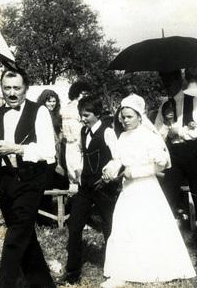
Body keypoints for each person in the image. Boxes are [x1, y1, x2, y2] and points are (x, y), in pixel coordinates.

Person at [100, 94, 195, 287]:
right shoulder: (123, 136)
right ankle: (125, 269)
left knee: (147, 226)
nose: (125, 121)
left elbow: (162, 165)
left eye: (129, 117)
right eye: (123, 117)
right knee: (124, 226)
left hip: (146, 188)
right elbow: (118, 158)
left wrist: (134, 172)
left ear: (139, 116)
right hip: (128, 190)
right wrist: (110, 169)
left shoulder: (149, 137)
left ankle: (153, 268)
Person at [0, 69, 57, 287]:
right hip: (5, 182)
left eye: (17, 88)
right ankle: (43, 284)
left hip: (31, 181)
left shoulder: (39, 111)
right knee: (25, 236)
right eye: (7, 88)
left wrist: (16, 149)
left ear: (26, 89)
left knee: (14, 237)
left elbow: (49, 151)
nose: (12, 93)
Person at [57, 96, 119, 285]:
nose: (83, 118)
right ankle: (73, 272)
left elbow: (118, 158)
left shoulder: (108, 132)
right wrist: (78, 170)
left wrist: (107, 176)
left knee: (109, 227)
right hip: (85, 186)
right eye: (81, 115)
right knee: (74, 226)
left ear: (97, 114)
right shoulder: (83, 132)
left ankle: (113, 267)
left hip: (103, 187)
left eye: (86, 115)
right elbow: (81, 154)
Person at [153, 69, 197, 250]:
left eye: (169, 82)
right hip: (173, 154)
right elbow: (157, 131)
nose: (166, 86)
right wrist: (165, 132)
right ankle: (167, 240)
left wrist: (181, 131)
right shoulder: (164, 106)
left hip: (192, 151)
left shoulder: (194, 102)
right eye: (163, 83)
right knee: (167, 194)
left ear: (179, 81)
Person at [36, 89, 69, 225]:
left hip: (60, 151)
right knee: (47, 185)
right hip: (47, 154)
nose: (51, 104)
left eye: (54, 101)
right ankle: (45, 220)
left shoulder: (57, 115)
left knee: (63, 182)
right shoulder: (39, 113)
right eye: (49, 101)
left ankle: (62, 215)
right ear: (43, 101)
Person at [60, 81, 91, 187]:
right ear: (77, 93)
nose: (85, 96)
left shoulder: (71, 107)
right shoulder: (74, 107)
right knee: (73, 169)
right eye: (83, 94)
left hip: (78, 142)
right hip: (71, 143)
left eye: (87, 94)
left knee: (77, 169)